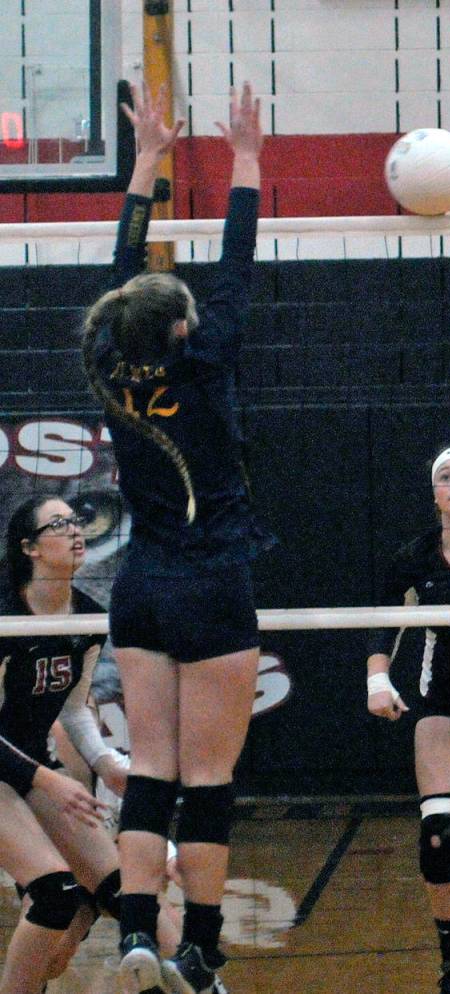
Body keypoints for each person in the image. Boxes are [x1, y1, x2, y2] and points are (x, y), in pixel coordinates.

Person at [79, 80, 264, 994]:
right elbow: (239, 258)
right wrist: (247, 157)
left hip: (142, 582)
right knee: (210, 775)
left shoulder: (110, 359)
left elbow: (122, 273)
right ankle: (203, 950)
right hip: (215, 579)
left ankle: (138, 939)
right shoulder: (211, 352)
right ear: (186, 323)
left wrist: (148, 158)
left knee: (151, 769)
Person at [0, 494, 184, 994]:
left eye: (76, 520)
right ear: (30, 548)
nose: (75, 530)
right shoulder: (6, 616)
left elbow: (74, 708)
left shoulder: (87, 617)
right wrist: (48, 781)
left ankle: (201, 979)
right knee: (54, 892)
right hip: (11, 773)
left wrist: (107, 762)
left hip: (32, 767)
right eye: (58, 524)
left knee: (124, 894)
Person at [366, 445, 450, 994]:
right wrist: (378, 678)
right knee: (442, 837)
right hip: (445, 702)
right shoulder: (416, 556)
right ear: (434, 493)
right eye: (445, 477)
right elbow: (383, 619)